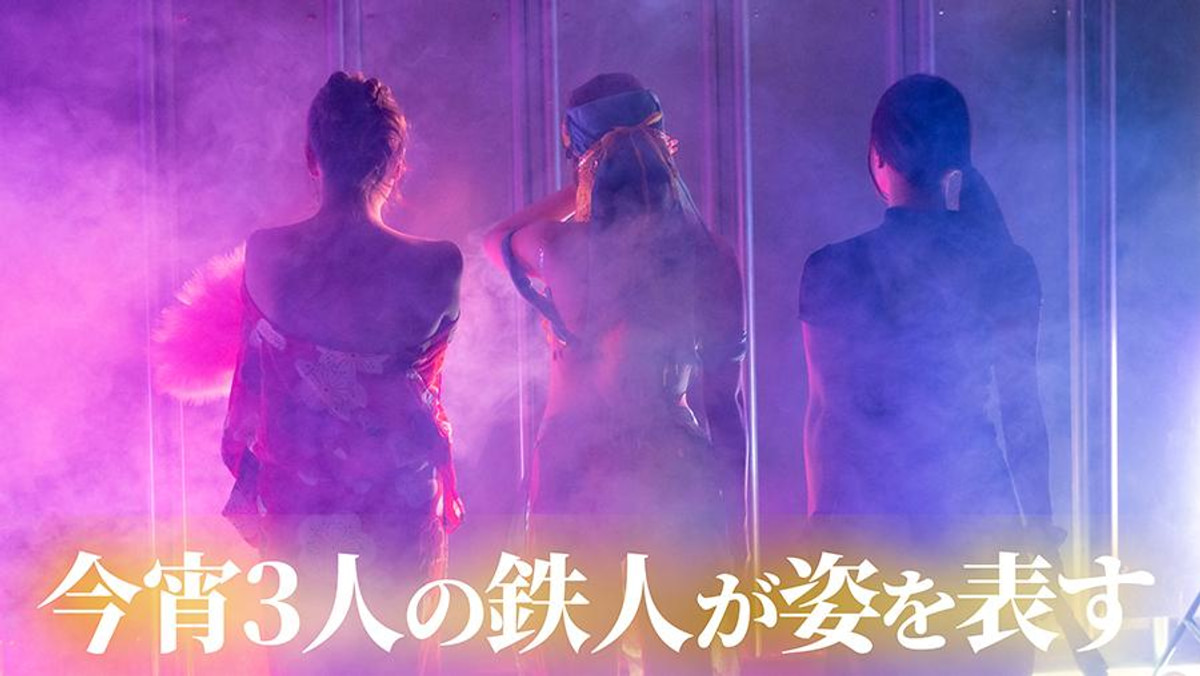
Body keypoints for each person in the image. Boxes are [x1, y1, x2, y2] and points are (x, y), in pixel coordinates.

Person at [483, 73, 748, 674]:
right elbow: (724, 408)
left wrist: (586, 175)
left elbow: (495, 239)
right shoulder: (711, 257)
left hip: (576, 472)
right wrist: (734, 528)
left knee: (578, 657)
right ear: (663, 146)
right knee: (679, 658)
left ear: (581, 155)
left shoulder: (557, 248)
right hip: (674, 473)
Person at [798, 74, 1062, 674]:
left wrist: (822, 528)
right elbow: (1022, 411)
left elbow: (827, 413)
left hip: (868, 519)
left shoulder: (831, 268)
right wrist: (1040, 529)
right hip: (976, 510)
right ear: (957, 160)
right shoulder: (1007, 265)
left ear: (878, 157)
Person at [219, 71, 464, 674]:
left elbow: (254, 382)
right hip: (399, 512)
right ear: (397, 165)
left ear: (312, 157)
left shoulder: (266, 253)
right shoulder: (439, 265)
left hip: (302, 511)